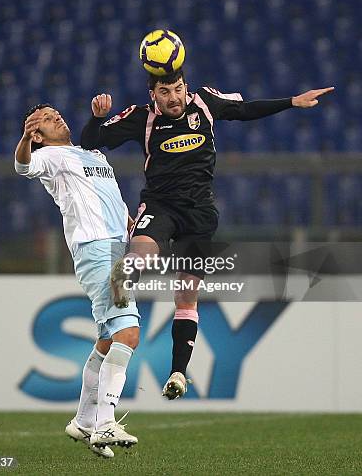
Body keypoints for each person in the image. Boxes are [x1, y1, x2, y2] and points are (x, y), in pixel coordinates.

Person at [80, 71, 334, 400]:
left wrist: (291, 102)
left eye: (178, 89)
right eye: (165, 91)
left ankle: (177, 373)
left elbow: (246, 110)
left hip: (199, 215)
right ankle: (122, 280)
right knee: (142, 254)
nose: (173, 97)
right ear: (152, 93)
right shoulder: (141, 117)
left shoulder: (205, 102)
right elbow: (90, 142)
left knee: (186, 295)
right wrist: (96, 118)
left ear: (186, 87)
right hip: (161, 206)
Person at [15, 104, 139, 458]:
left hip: (115, 248)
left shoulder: (91, 153)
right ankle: (104, 423)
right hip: (98, 251)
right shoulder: (49, 156)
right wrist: (26, 139)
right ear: (38, 135)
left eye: (57, 113)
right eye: (48, 119)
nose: (58, 118)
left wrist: (128, 221)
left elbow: (106, 197)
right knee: (127, 333)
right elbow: (22, 166)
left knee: (106, 340)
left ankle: (84, 421)